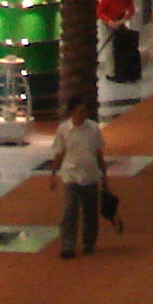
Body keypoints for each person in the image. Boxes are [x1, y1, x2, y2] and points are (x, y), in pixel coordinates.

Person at [46, 94, 109, 257]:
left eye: (84, 110)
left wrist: (104, 174)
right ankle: (68, 246)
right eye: (80, 111)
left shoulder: (93, 128)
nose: (84, 114)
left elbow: (98, 153)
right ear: (72, 112)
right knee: (69, 211)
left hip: (90, 175)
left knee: (90, 212)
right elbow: (59, 154)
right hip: (70, 175)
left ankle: (89, 243)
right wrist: (53, 174)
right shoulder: (63, 130)